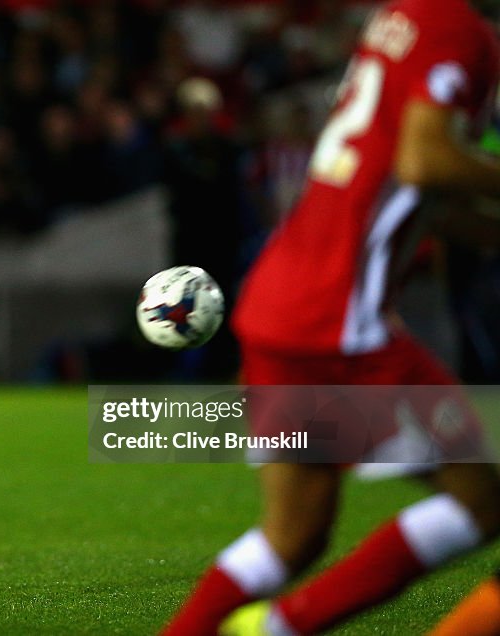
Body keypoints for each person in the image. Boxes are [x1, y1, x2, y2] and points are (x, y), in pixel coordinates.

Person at [161, 1, 500, 633]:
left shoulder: (407, 15)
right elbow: (425, 162)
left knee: (293, 537)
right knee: (480, 504)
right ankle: (278, 629)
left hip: (284, 300)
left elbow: (413, 186)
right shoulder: (458, 28)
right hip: (341, 320)